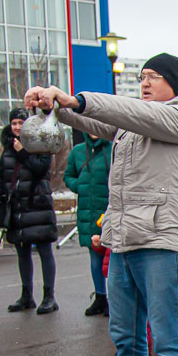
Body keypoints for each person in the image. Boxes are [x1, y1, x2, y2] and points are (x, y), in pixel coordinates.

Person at [25, 52, 178, 356]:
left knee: (168, 339)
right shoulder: (131, 127)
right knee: (125, 337)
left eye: (155, 78)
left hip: (160, 242)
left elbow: (124, 112)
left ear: (175, 84)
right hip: (122, 241)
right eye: (142, 77)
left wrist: (76, 98)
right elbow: (95, 121)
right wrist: (59, 107)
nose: (145, 83)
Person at [0, 108, 60, 314]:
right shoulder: (7, 148)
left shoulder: (41, 142)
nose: (16, 127)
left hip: (37, 205)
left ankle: (49, 297)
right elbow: (2, 176)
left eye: (20, 123)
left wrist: (23, 150)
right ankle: (26, 295)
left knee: (44, 250)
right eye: (13, 123)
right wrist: (0, 199)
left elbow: (41, 170)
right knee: (22, 251)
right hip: (18, 207)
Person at [64, 133, 112, 316]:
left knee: (112, 256)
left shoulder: (112, 149)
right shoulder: (77, 151)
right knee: (94, 255)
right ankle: (100, 297)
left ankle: (115, 299)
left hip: (109, 210)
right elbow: (68, 175)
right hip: (87, 211)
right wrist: (79, 185)